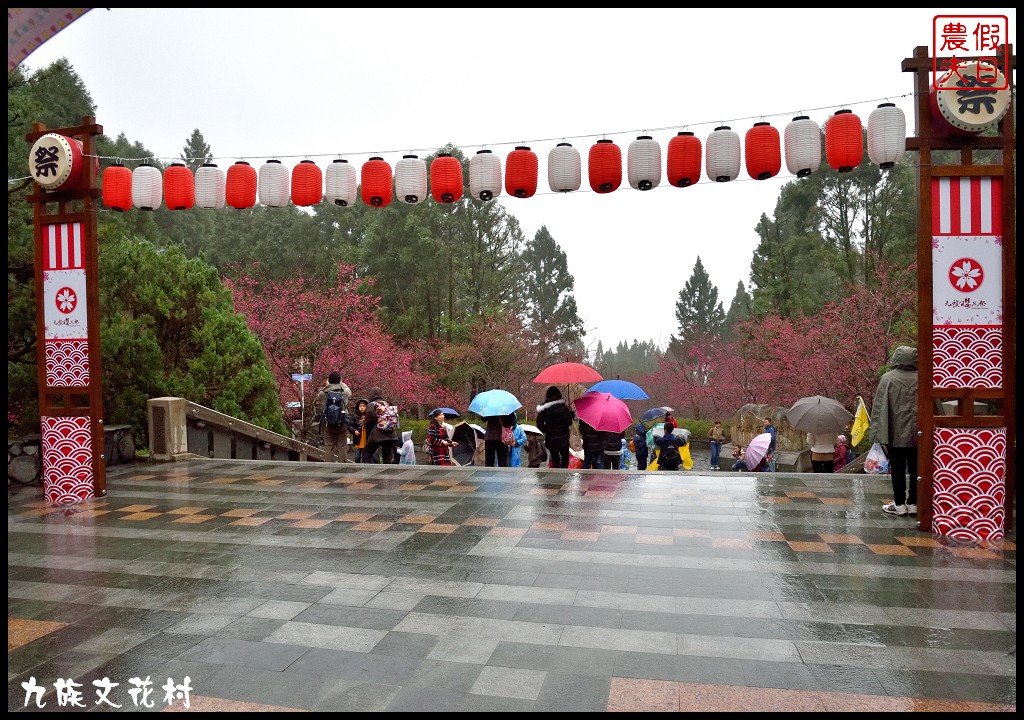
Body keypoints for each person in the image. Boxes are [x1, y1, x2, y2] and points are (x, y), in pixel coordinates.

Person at [870, 346, 919, 516]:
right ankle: (914, 502)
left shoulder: (888, 379)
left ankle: (899, 504)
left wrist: (877, 432)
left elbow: (879, 408)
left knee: (897, 468)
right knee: (916, 469)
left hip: (894, 433)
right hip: (917, 433)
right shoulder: (923, 378)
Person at [314, 372, 352, 463]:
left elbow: (318, 397)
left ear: (329, 380)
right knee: (342, 446)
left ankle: (328, 467)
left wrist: (328, 386)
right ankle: (342, 467)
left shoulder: (323, 393)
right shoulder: (345, 392)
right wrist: (341, 383)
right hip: (342, 422)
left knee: (329, 446)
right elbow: (349, 391)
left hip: (328, 423)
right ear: (340, 380)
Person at [535, 386, 576, 468]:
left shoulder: (544, 408)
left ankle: (555, 477)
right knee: (565, 459)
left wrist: (546, 429)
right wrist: (570, 415)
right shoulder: (564, 408)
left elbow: (539, 422)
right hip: (563, 438)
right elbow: (569, 423)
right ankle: (564, 478)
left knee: (555, 460)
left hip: (551, 437)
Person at [364, 386, 399, 464]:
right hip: (391, 434)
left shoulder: (371, 405)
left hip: (377, 434)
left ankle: (366, 472)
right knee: (387, 456)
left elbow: (367, 423)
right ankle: (387, 474)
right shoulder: (387, 404)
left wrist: (369, 434)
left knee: (366, 452)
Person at [350, 398, 370, 463]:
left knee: (365, 458)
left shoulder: (369, 416)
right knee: (357, 458)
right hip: (358, 439)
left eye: (364, 406)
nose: (362, 408)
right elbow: (349, 426)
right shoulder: (355, 416)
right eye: (360, 406)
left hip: (367, 440)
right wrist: (354, 431)